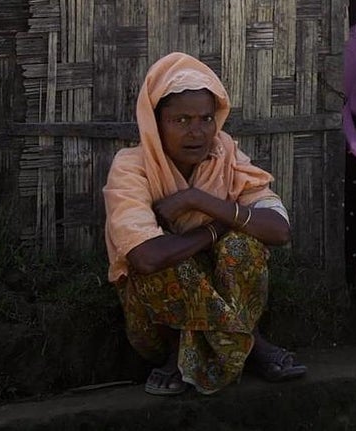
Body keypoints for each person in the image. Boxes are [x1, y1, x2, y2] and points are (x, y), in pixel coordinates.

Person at [103, 52, 308, 395]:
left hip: (222, 294)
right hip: (156, 323)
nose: (196, 132)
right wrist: (216, 228)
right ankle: (241, 345)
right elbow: (145, 257)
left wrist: (198, 200)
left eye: (205, 119)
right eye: (180, 120)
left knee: (243, 248)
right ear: (156, 122)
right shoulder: (131, 167)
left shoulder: (224, 155)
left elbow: (278, 229)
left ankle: (212, 353)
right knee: (169, 264)